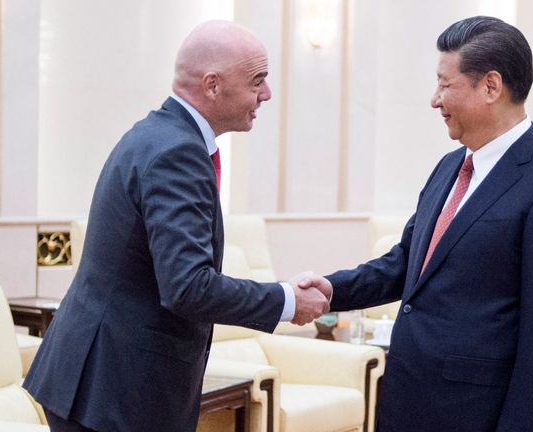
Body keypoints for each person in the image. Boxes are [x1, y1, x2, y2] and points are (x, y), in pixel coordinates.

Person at [23, 20, 330, 432]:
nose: (267, 94)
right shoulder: (176, 153)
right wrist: (286, 300)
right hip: (116, 389)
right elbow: (188, 287)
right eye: (257, 80)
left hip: (104, 379)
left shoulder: (158, 135)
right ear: (212, 85)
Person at [300, 16, 533, 432]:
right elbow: (407, 264)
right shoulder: (450, 166)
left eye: (444, 84)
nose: (434, 100)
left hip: (478, 414)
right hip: (409, 401)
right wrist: (334, 289)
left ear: (491, 86)